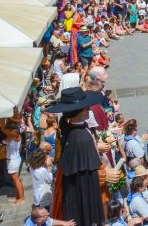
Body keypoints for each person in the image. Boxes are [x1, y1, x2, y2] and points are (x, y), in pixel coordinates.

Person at [46, 87, 107, 226]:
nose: (89, 110)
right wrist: (104, 173)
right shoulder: (81, 137)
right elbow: (87, 171)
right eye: (86, 108)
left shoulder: (74, 130)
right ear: (79, 112)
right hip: (82, 191)